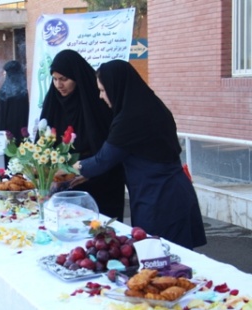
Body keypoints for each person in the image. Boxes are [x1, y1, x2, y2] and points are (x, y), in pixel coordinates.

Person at [74, 60, 206, 250]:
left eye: (103, 90)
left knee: (159, 256)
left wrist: (71, 168)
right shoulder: (152, 106)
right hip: (170, 192)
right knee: (172, 257)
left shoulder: (130, 119)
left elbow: (103, 160)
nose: (101, 96)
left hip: (159, 199)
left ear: (115, 87)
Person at [40, 49, 125, 221]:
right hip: (63, 183)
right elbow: (42, 142)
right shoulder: (53, 103)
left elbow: (110, 148)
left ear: (77, 77)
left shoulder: (97, 102)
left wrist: (87, 169)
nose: (58, 85)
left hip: (99, 181)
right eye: (55, 79)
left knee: (99, 230)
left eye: (64, 79)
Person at [0, 60, 29, 146]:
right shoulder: (24, 91)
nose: (4, 74)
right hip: (23, 132)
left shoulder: (4, 92)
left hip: (8, 135)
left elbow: (0, 119)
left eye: (6, 72)